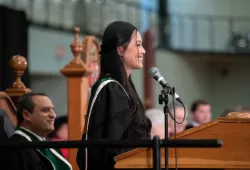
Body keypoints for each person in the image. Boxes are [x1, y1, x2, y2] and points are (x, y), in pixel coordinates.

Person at [76, 21, 152, 170]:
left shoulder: (125, 87)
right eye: (137, 44)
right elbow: (111, 150)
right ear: (120, 49)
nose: (143, 51)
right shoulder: (111, 88)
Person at [1, 92, 72, 170]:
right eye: (45, 110)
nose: (53, 115)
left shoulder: (48, 144)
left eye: (53, 110)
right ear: (26, 115)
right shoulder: (17, 148)